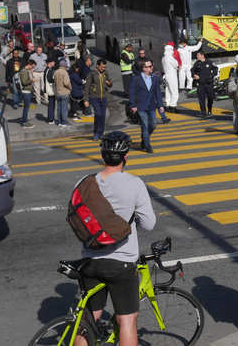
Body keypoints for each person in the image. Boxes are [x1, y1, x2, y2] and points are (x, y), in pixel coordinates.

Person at [73, 131, 157, 346]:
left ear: (102, 155)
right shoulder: (134, 183)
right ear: (126, 157)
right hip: (121, 262)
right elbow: (149, 224)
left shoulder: (85, 182)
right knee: (127, 319)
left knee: (89, 319)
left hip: (90, 259)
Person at [129, 59, 165, 153]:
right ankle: (147, 146)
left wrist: (160, 105)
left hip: (151, 106)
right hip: (140, 106)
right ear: (143, 68)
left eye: (151, 66)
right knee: (145, 126)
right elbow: (132, 93)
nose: (151, 68)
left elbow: (158, 93)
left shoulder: (154, 78)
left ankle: (144, 139)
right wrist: (133, 105)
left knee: (153, 125)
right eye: (148, 66)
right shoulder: (136, 78)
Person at [84, 58, 113, 141]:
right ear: (97, 66)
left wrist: (109, 83)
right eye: (102, 67)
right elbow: (86, 87)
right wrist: (85, 99)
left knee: (103, 116)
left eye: (104, 67)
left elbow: (110, 84)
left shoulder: (105, 73)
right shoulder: (92, 74)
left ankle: (101, 133)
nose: (103, 69)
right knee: (98, 114)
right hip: (94, 97)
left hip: (103, 97)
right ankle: (96, 133)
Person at [191, 51, 218, 117]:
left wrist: (211, 76)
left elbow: (215, 69)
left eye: (198, 55)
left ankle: (209, 111)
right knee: (201, 98)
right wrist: (194, 75)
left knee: (210, 98)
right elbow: (192, 70)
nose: (197, 57)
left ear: (202, 55)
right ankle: (203, 112)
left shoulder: (209, 62)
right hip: (200, 84)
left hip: (209, 83)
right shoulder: (197, 63)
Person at [161, 43, 180, 112]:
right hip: (172, 76)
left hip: (166, 75)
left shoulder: (163, 58)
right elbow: (176, 64)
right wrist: (174, 58)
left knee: (168, 91)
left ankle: (167, 104)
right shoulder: (170, 57)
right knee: (174, 91)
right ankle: (173, 106)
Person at [54, 59, 72, 127]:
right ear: (64, 66)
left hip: (58, 92)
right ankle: (64, 122)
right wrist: (70, 87)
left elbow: (55, 82)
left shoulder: (56, 72)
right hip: (64, 92)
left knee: (59, 108)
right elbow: (66, 82)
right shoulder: (65, 72)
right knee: (64, 108)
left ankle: (59, 121)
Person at [19, 59, 36, 128]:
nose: (33, 68)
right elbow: (24, 82)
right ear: (29, 65)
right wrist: (32, 80)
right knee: (26, 108)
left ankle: (24, 120)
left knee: (26, 107)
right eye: (32, 66)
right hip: (26, 92)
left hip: (27, 91)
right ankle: (24, 122)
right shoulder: (24, 71)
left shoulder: (26, 71)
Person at [42, 59, 57, 124]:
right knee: (51, 105)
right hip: (51, 90)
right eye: (53, 62)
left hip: (48, 89)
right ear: (50, 62)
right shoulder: (49, 70)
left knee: (51, 104)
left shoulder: (46, 70)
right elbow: (50, 80)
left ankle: (50, 118)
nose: (54, 63)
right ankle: (51, 119)